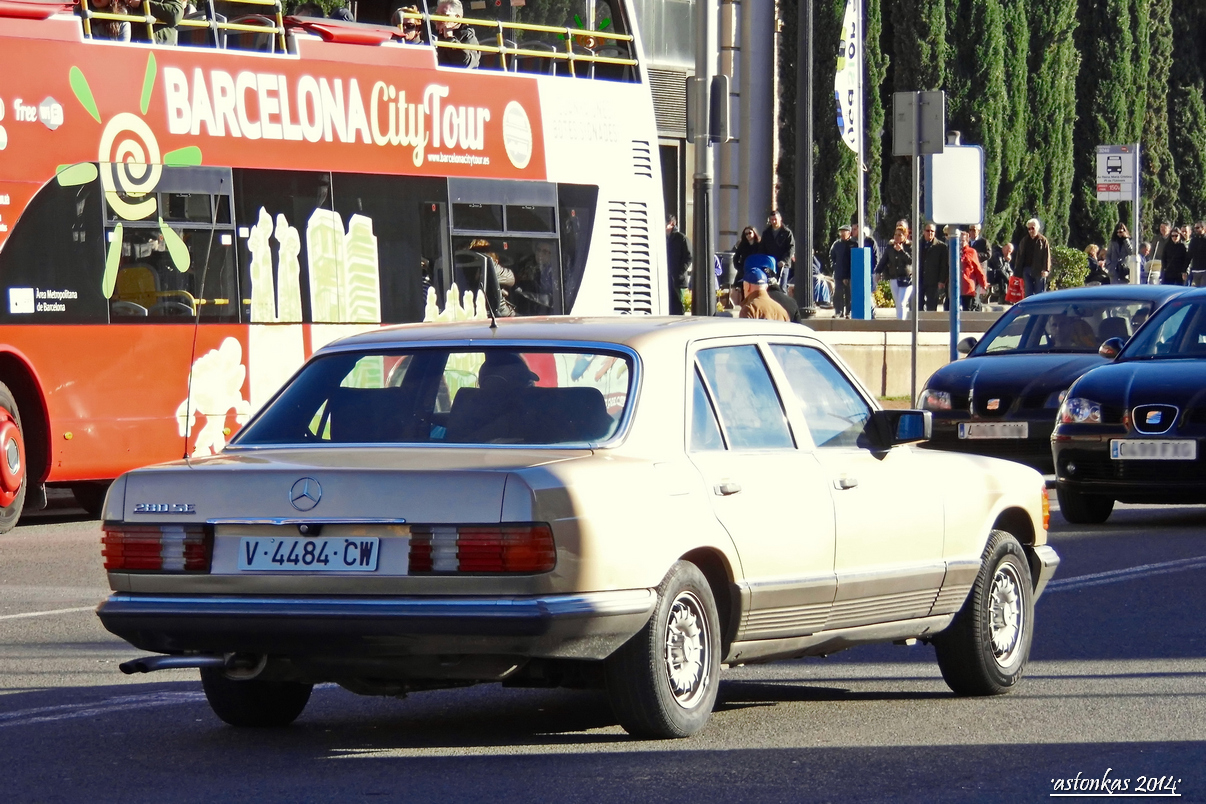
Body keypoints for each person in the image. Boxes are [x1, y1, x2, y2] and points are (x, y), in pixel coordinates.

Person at [738, 257, 790, 321]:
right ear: (766, 287)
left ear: (747, 286)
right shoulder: (782, 311)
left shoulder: (749, 309)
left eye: (743, 286)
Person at [879, 225, 913, 320]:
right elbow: (883, 260)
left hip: (906, 279)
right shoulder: (890, 247)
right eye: (895, 234)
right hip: (894, 278)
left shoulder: (910, 246)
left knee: (902, 303)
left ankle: (901, 323)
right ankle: (900, 321)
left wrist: (901, 251)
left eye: (900, 235)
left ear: (905, 236)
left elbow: (911, 261)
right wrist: (877, 272)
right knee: (898, 304)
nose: (897, 237)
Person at [433, 0, 480, 68]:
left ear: (457, 17)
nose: (438, 18)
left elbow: (465, 63)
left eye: (443, 14)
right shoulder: (432, 33)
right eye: (436, 15)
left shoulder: (468, 36)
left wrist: (450, 38)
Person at [1016, 217, 1051, 297]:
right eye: (1029, 229)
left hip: (1039, 270)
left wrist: (1046, 269)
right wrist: (1017, 271)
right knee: (1028, 294)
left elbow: (1047, 256)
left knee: (1040, 294)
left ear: (1037, 228)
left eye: (1033, 228)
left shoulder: (1043, 240)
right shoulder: (1024, 240)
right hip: (1026, 270)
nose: (1031, 231)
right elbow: (1019, 256)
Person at [918, 222, 948, 311]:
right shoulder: (917, 244)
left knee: (931, 307)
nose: (930, 233)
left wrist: (941, 281)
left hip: (933, 282)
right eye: (928, 230)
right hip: (919, 280)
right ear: (923, 231)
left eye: (932, 231)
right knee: (917, 306)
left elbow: (944, 265)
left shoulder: (941, 246)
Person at [760, 210, 795, 284]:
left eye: (775, 219)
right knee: (770, 286)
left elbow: (791, 248)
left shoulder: (787, 232)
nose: (773, 221)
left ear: (780, 218)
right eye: (772, 219)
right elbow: (762, 248)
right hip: (770, 264)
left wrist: (784, 260)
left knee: (782, 287)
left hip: (783, 265)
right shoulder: (766, 233)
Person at [665, 215, 691, 315]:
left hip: (678, 280)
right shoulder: (662, 238)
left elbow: (689, 257)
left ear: (671, 224)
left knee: (679, 306)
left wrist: (679, 273)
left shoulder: (681, 238)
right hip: (666, 279)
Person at [829, 224, 854, 318]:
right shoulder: (836, 244)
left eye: (844, 232)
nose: (842, 234)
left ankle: (848, 312)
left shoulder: (853, 244)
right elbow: (831, 256)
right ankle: (838, 311)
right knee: (838, 293)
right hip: (839, 273)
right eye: (841, 232)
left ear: (849, 233)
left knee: (849, 294)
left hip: (849, 273)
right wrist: (834, 266)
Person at [958, 231, 987, 311]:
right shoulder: (952, 252)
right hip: (955, 287)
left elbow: (978, 269)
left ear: (967, 241)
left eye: (963, 241)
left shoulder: (971, 252)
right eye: (959, 240)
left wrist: (983, 283)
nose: (960, 243)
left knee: (967, 310)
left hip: (967, 287)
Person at [1189, 222, 1206, 287]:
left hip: (1204, 270)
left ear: (1204, 228)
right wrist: (1184, 269)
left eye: (1197, 228)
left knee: (1202, 290)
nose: (1195, 229)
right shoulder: (1193, 240)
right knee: (1195, 290)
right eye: (1195, 228)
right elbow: (1189, 255)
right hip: (1195, 270)